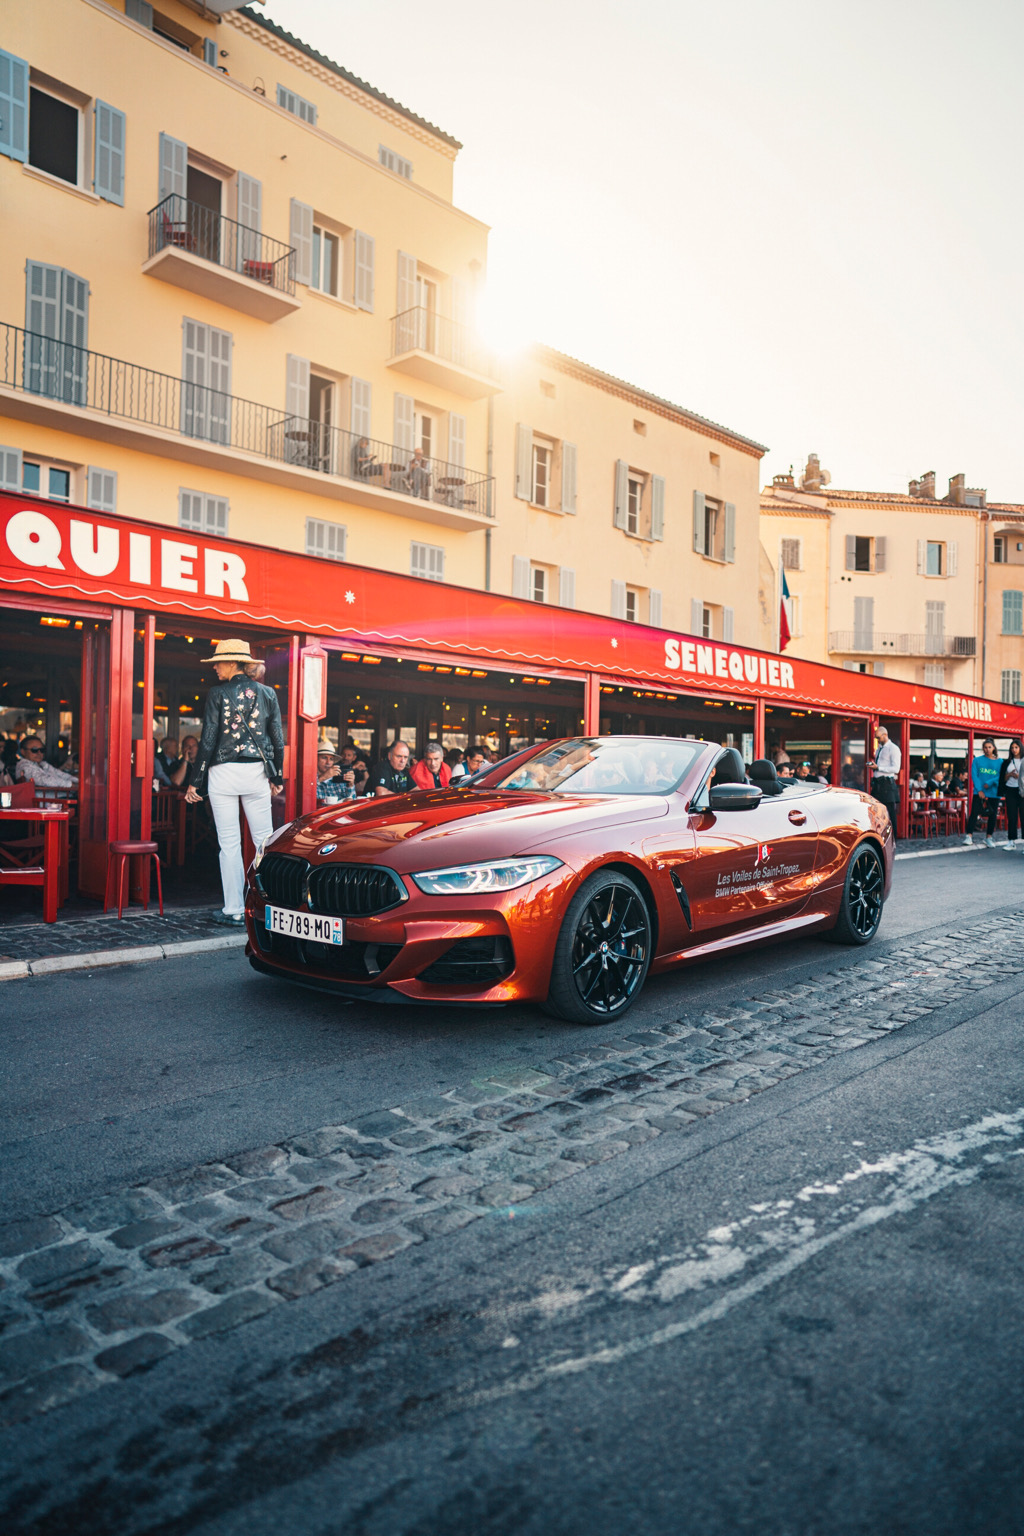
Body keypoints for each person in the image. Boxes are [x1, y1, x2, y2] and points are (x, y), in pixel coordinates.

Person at [185, 639, 285, 925]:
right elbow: (277, 738)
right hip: (256, 772)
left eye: (218, 662)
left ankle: (234, 909)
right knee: (264, 842)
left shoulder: (217, 693)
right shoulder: (267, 693)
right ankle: (272, 904)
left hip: (223, 773)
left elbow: (208, 739)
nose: (215, 667)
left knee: (229, 844)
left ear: (232, 662)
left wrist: (196, 780)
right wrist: (277, 775)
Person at [964, 737, 1000, 847]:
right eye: (985, 747)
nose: (987, 749)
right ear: (982, 749)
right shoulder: (977, 760)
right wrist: (979, 790)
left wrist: (990, 782)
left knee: (992, 815)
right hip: (979, 792)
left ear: (993, 748)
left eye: (989, 747)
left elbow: (1001, 776)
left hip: (994, 792)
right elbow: (974, 776)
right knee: (974, 813)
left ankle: (989, 837)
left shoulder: (1000, 762)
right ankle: (969, 836)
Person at [870, 725, 901, 837]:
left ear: (885, 735)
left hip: (887, 784)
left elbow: (896, 768)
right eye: (876, 738)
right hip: (877, 783)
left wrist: (878, 768)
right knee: (876, 810)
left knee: (890, 812)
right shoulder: (879, 748)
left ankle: (893, 836)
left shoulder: (893, 749)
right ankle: (879, 834)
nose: (878, 740)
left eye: (879, 738)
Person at [998, 739, 1023, 850]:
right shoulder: (1007, 762)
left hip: (1022, 791)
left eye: (1016, 747)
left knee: (1023, 817)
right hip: (1010, 790)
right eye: (1012, 748)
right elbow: (1002, 778)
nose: (1014, 750)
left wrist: (1020, 777)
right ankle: (1011, 842)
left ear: (1020, 748)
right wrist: (1009, 775)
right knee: (1011, 816)